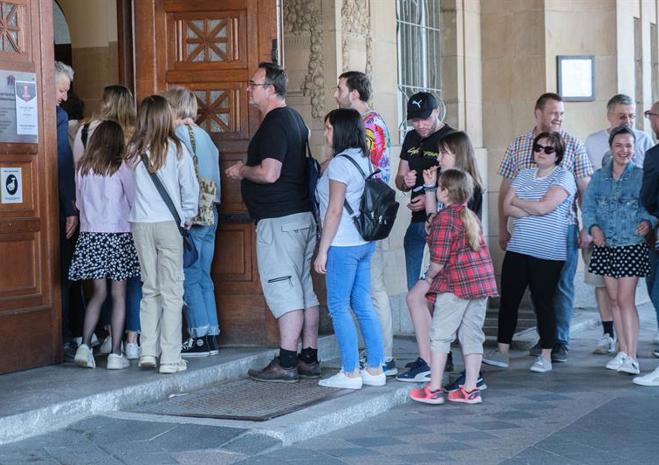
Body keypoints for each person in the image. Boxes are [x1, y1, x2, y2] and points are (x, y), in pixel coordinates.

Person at [226, 62, 320, 383]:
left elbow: (269, 173)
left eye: (253, 84)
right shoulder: (295, 118)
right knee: (303, 289)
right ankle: (308, 357)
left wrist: (241, 170)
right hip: (301, 217)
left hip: (280, 221)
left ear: (270, 89)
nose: (248, 89)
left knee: (284, 289)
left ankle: (287, 361)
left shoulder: (275, 123)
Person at [497, 93, 593, 363]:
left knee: (560, 286)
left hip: (563, 229)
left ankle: (559, 341)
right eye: (553, 113)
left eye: (562, 113)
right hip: (524, 231)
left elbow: (584, 188)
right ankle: (544, 339)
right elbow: (505, 191)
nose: (559, 118)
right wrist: (503, 226)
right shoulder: (518, 145)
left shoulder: (573, 144)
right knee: (533, 291)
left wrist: (587, 226)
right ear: (538, 113)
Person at [485, 132, 577, 373]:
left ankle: (546, 355)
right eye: (538, 147)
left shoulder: (564, 176)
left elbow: (545, 207)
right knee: (509, 301)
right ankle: (502, 352)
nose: (541, 152)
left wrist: (521, 203)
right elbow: (506, 207)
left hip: (547, 252)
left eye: (548, 149)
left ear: (558, 155)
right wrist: (531, 207)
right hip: (518, 247)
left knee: (543, 302)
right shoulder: (524, 174)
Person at [397, 131, 484, 384]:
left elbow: (446, 227)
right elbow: (432, 222)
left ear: (458, 154)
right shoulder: (449, 184)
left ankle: (458, 373)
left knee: (462, 323)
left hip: (456, 266)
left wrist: (432, 272)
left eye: (444, 153)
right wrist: (430, 188)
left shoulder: (468, 188)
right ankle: (434, 364)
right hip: (447, 262)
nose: (439, 157)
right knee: (419, 300)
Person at [409, 169, 497, 404]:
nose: (437, 190)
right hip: (479, 285)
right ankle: (470, 389)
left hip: (455, 285)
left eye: (439, 187)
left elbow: (438, 260)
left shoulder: (445, 219)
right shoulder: (470, 216)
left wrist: (428, 278)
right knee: (472, 336)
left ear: (445, 192)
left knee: (440, 336)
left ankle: (434, 389)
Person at [126, 95, 199, 374]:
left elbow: (128, 191)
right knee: (172, 291)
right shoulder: (177, 148)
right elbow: (189, 187)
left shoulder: (132, 150)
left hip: (140, 224)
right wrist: (188, 215)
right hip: (169, 223)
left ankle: (147, 351)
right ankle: (170, 357)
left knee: (150, 288)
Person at [313, 108, 385, 389]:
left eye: (329, 128)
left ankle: (350, 371)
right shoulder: (363, 157)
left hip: (342, 244)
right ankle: (375, 368)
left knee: (338, 306)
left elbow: (334, 210)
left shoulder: (341, 164)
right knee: (363, 304)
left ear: (341, 130)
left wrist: (322, 250)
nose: (325, 133)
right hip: (364, 242)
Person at [334, 71, 396, 376]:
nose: (336, 94)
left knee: (372, 289)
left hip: (366, 218)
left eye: (340, 89)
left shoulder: (369, 125)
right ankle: (375, 355)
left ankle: (383, 357)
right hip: (361, 217)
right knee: (365, 291)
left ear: (354, 94)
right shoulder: (366, 123)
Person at [73, 84, 141, 360]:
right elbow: (134, 199)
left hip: (90, 236)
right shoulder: (121, 166)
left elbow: (78, 203)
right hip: (118, 235)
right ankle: (116, 353)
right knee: (119, 295)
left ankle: (84, 346)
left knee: (97, 294)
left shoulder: (82, 168)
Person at [582, 126, 656, 376]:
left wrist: (649, 222)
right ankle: (623, 351)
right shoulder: (599, 177)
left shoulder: (641, 176)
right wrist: (593, 227)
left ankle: (632, 356)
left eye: (628, 146)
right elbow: (588, 208)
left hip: (631, 244)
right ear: (611, 148)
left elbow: (651, 206)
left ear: (634, 148)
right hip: (605, 245)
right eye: (619, 145)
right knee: (613, 299)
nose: (624, 150)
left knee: (625, 300)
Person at [163, 87, 222, 358]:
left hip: (192, 213)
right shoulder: (205, 136)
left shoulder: (176, 135)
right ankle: (211, 334)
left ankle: (199, 335)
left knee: (189, 274)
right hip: (211, 210)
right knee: (204, 275)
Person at [395, 92, 454, 290]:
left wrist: (430, 196)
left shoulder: (451, 138)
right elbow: (399, 178)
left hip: (443, 221)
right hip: (417, 221)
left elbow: (460, 184)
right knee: (415, 288)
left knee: (440, 285)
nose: (420, 125)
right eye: (415, 120)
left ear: (437, 112)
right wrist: (405, 181)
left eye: (426, 119)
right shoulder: (410, 137)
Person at [54, 61, 82, 362]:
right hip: (55, 207)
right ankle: (61, 337)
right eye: (61, 91)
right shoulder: (58, 116)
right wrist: (70, 207)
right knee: (63, 273)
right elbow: (62, 163)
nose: (64, 98)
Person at [636, 101, 659, 386]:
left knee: (657, 292)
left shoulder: (654, 155)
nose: (650, 121)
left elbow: (648, 196)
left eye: (651, 115)